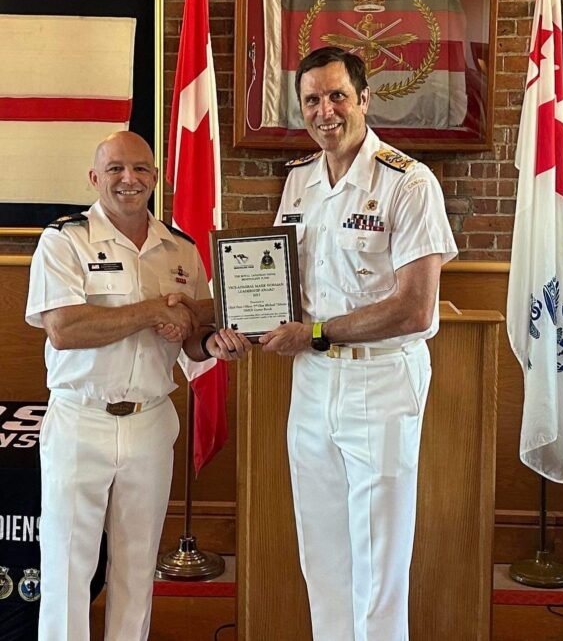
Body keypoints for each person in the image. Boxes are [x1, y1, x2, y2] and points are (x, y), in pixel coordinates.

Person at [256, 47, 458, 640]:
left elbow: (413, 306)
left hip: (380, 381)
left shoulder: (408, 182)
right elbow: (279, 284)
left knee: (378, 559)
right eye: (312, 99)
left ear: (365, 100)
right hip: (312, 382)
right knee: (321, 551)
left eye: (338, 95)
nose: (325, 111)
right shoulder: (299, 182)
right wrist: (237, 323)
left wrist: (316, 332)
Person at [24, 131, 250, 641]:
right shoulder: (64, 241)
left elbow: (192, 339)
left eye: (142, 169)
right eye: (116, 169)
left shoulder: (181, 249)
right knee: (66, 568)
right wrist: (153, 311)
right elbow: (65, 330)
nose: (130, 179)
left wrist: (211, 344)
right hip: (81, 420)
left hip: (150, 421)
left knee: (137, 566)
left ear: (156, 177)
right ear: (94, 177)